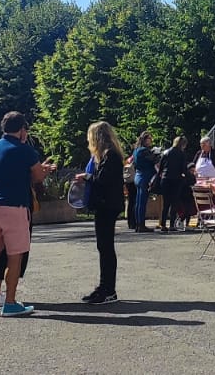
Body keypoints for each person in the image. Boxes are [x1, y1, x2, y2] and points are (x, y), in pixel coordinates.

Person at [0, 112, 54, 317]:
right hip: (14, 207)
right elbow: (37, 176)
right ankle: (10, 302)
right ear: (22, 130)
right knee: (14, 257)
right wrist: (44, 170)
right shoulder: (25, 150)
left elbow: (7, 169)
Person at [76, 121, 126, 305]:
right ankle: (104, 286)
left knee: (105, 247)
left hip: (107, 205)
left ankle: (108, 289)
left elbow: (103, 180)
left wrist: (87, 177)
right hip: (106, 205)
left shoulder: (109, 155)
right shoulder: (108, 155)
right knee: (103, 247)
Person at [156, 136, 191, 233]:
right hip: (176, 180)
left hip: (165, 179)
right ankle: (171, 225)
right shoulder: (181, 154)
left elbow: (161, 167)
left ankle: (163, 224)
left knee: (166, 203)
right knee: (174, 203)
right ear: (183, 144)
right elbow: (183, 169)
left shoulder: (166, 152)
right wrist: (190, 178)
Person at [130, 132, 157, 234]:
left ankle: (138, 224)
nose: (151, 140)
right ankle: (141, 224)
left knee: (138, 202)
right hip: (145, 177)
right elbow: (154, 159)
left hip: (138, 176)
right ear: (145, 140)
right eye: (150, 138)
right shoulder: (145, 151)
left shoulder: (136, 150)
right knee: (142, 203)